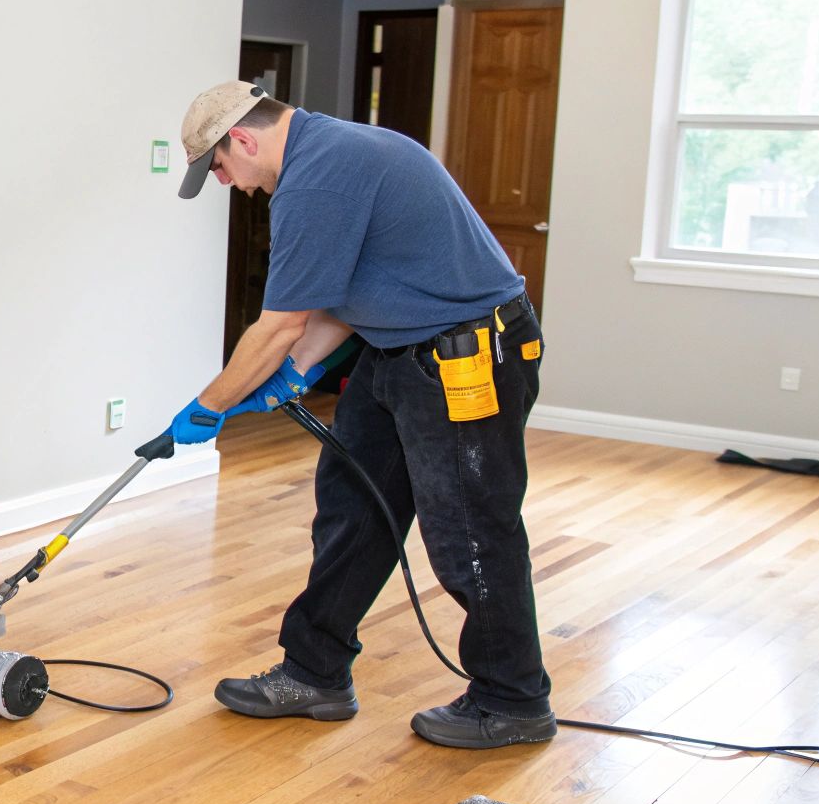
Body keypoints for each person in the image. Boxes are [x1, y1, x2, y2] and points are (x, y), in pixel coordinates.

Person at [160, 81, 554, 749]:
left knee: (469, 531)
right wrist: (296, 372)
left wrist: (209, 405)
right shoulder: (327, 155)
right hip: (399, 351)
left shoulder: (318, 179)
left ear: (244, 139)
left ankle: (513, 701)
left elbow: (281, 322)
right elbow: (340, 294)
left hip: (468, 357)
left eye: (219, 167)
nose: (227, 183)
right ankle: (315, 672)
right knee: (353, 509)